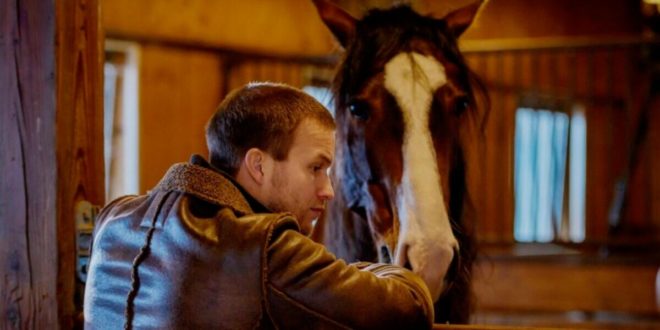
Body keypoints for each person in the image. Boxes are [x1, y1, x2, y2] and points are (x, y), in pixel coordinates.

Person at [83, 82, 434, 329]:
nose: (327, 190)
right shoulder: (265, 246)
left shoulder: (116, 218)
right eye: (316, 168)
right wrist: (382, 271)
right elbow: (409, 307)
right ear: (259, 165)